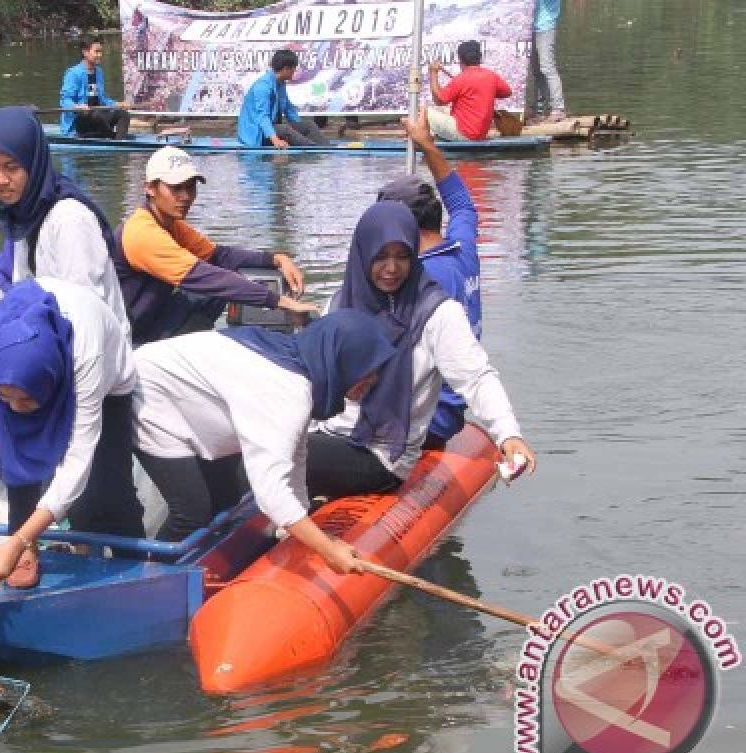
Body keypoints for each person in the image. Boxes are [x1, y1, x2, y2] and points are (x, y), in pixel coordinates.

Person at [133, 311, 395, 573]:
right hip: (148, 393)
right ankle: (147, 582)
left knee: (225, 498)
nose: (373, 380)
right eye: (367, 369)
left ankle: (203, 570)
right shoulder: (286, 391)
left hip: (181, 396)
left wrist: (303, 522)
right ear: (343, 360)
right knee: (191, 511)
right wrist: (327, 549)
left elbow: (296, 453)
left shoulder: (298, 363)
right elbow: (271, 491)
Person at [307, 202, 536, 497]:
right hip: (326, 433)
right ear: (362, 254)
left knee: (280, 454)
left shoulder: (437, 313)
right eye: (381, 257)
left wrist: (508, 434)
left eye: (402, 257)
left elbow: (477, 378)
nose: (391, 268)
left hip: (381, 453)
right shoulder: (337, 304)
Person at [0, 277, 142, 594]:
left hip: (107, 381)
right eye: (7, 399)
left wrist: (18, 541)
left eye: (25, 401)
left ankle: (135, 566)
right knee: (17, 451)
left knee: (108, 488)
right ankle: (24, 546)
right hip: (27, 368)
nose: (16, 408)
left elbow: (78, 459)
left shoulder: (88, 354)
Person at [0, 106, 130, 388]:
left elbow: (82, 318)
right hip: (52, 349)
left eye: (11, 167)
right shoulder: (23, 214)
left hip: (95, 369)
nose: (0, 181)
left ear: (33, 162)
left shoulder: (69, 220)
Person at [115, 145, 319, 345]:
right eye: (176, 188)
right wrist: (281, 302)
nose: (185, 197)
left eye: (190, 187)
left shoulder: (171, 224)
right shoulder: (142, 232)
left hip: (150, 318)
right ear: (150, 188)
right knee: (218, 282)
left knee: (227, 277)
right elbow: (204, 277)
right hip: (127, 339)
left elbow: (220, 256)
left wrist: (276, 259)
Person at [376, 108, 482, 448]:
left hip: (427, 419)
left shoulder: (420, 278)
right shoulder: (462, 248)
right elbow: (462, 205)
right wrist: (427, 146)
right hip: (450, 408)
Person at [237, 49, 329, 148]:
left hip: (273, 128)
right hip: (256, 133)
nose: (295, 71)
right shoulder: (262, 87)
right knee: (285, 130)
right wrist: (276, 140)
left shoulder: (281, 83)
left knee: (309, 125)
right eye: (294, 69)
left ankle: (328, 148)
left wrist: (299, 129)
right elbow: (262, 117)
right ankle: (317, 151)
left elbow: (289, 109)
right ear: (285, 69)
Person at [427, 41, 511, 142]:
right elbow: (507, 92)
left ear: (460, 59)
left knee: (422, 112)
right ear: (479, 57)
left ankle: (425, 143)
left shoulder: (460, 79)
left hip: (465, 134)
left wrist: (433, 73)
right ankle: (438, 137)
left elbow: (439, 100)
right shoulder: (491, 76)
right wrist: (486, 91)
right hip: (480, 133)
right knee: (443, 111)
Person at [59, 38, 131, 140]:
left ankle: (120, 141)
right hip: (81, 120)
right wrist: (76, 106)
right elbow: (64, 101)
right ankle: (109, 137)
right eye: (96, 52)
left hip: (98, 118)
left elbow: (102, 99)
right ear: (85, 52)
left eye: (101, 52)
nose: (100, 55)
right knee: (96, 115)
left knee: (123, 114)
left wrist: (118, 104)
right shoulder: (73, 74)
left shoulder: (99, 72)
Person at [531, 0, 567, 122]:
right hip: (530, 27)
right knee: (536, 71)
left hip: (545, 27)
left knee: (548, 68)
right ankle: (538, 110)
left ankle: (558, 109)